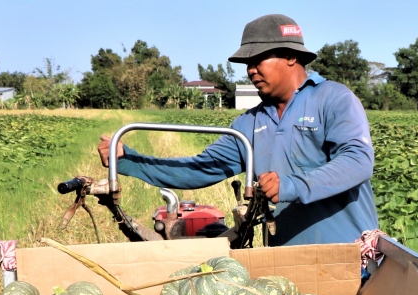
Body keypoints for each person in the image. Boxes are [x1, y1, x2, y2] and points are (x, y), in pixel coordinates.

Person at [98, 14, 378, 246]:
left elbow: (357, 162)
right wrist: (127, 160)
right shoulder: (249, 124)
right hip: (284, 263)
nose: (251, 70)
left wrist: (292, 185)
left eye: (258, 60)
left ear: (291, 56)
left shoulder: (333, 99)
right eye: (247, 64)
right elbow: (199, 169)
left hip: (347, 255)